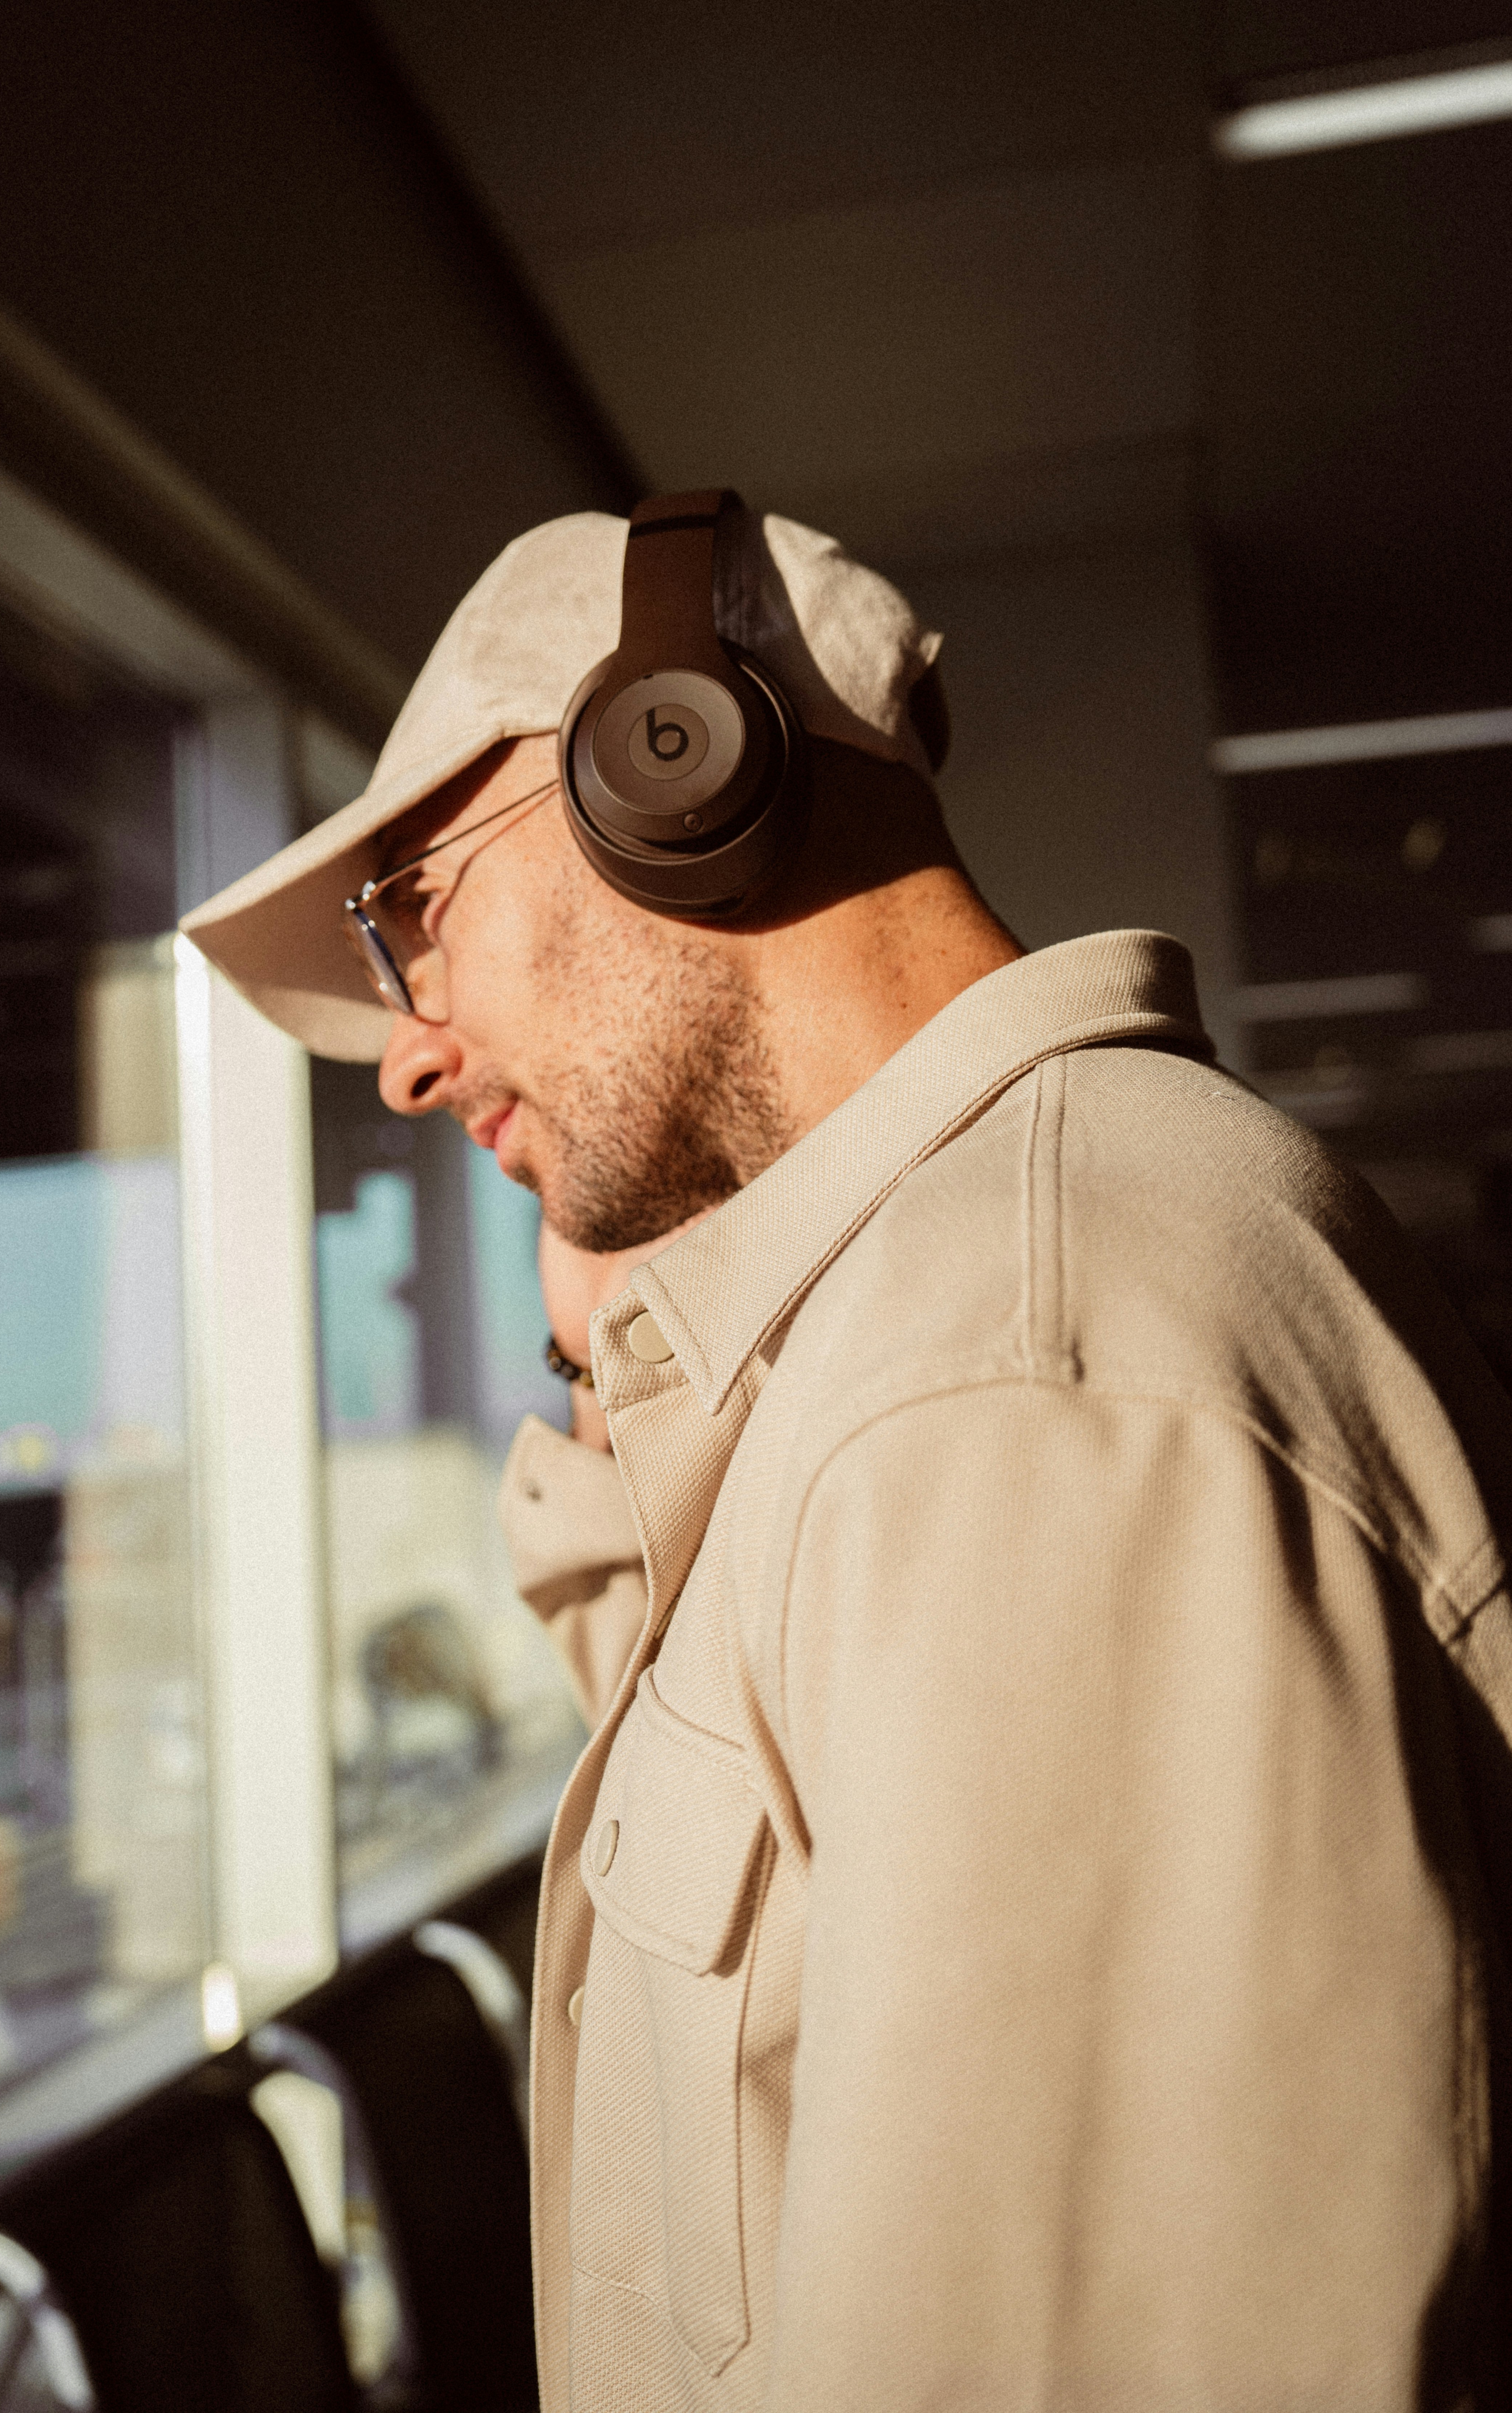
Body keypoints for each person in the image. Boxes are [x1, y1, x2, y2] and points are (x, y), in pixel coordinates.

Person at [183, 497, 1512, 2412]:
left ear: (669, 761)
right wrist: (610, 1342)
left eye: (412, 913)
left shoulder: (1014, 1373)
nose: (405, 1054)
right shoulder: (931, 1324)